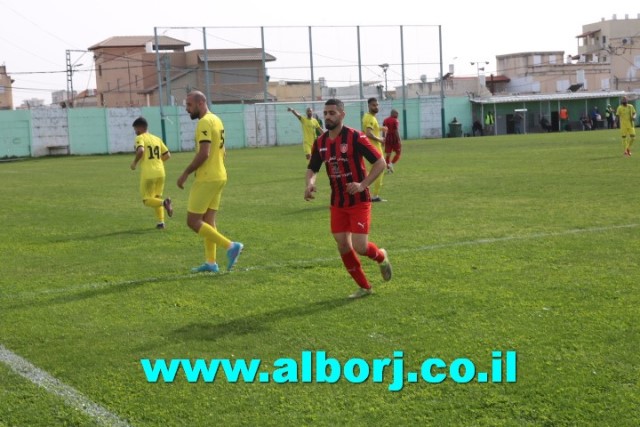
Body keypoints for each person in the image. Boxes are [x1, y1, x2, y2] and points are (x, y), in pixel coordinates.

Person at [305, 98, 392, 299]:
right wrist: (309, 183)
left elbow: (379, 163)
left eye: (332, 113)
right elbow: (312, 168)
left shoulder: (355, 137)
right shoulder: (321, 142)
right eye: (325, 113)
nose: (327, 116)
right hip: (337, 203)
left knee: (361, 247)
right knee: (343, 244)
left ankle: (381, 257)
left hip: (359, 201)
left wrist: (363, 184)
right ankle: (365, 286)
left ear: (342, 114)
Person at [177, 90, 243, 272]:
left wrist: (186, 173)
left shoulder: (205, 122)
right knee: (208, 220)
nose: (187, 109)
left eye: (189, 105)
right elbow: (223, 151)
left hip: (207, 177)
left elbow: (204, 153)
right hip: (220, 174)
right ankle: (211, 263)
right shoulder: (216, 120)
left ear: (200, 103)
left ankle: (230, 246)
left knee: (193, 221)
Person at [129, 116, 173, 229]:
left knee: (147, 200)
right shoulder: (156, 138)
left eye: (135, 129)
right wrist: (157, 162)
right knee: (157, 197)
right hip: (161, 172)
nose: (135, 132)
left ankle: (165, 203)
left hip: (149, 173)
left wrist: (134, 162)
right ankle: (161, 222)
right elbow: (167, 155)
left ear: (139, 128)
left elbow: (141, 150)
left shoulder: (140, 137)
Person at [362, 97, 387, 201]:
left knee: (373, 171)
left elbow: (372, 129)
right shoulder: (370, 118)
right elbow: (368, 133)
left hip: (371, 148)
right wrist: (380, 139)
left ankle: (364, 190)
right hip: (374, 148)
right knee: (380, 169)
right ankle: (374, 195)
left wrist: (381, 128)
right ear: (369, 106)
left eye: (377, 105)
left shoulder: (369, 116)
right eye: (373, 105)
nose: (376, 107)